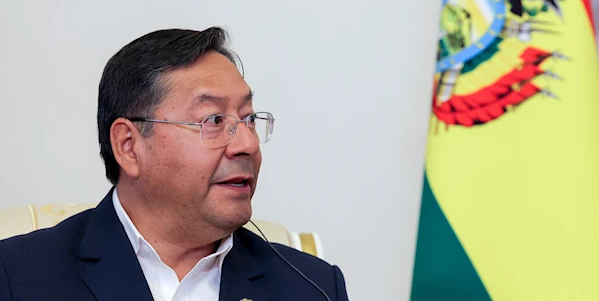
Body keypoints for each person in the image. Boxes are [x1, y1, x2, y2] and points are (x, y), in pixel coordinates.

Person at [0, 27, 349, 301]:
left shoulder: (312, 288)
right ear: (128, 146)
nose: (247, 144)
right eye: (213, 120)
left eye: (249, 119)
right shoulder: (19, 277)